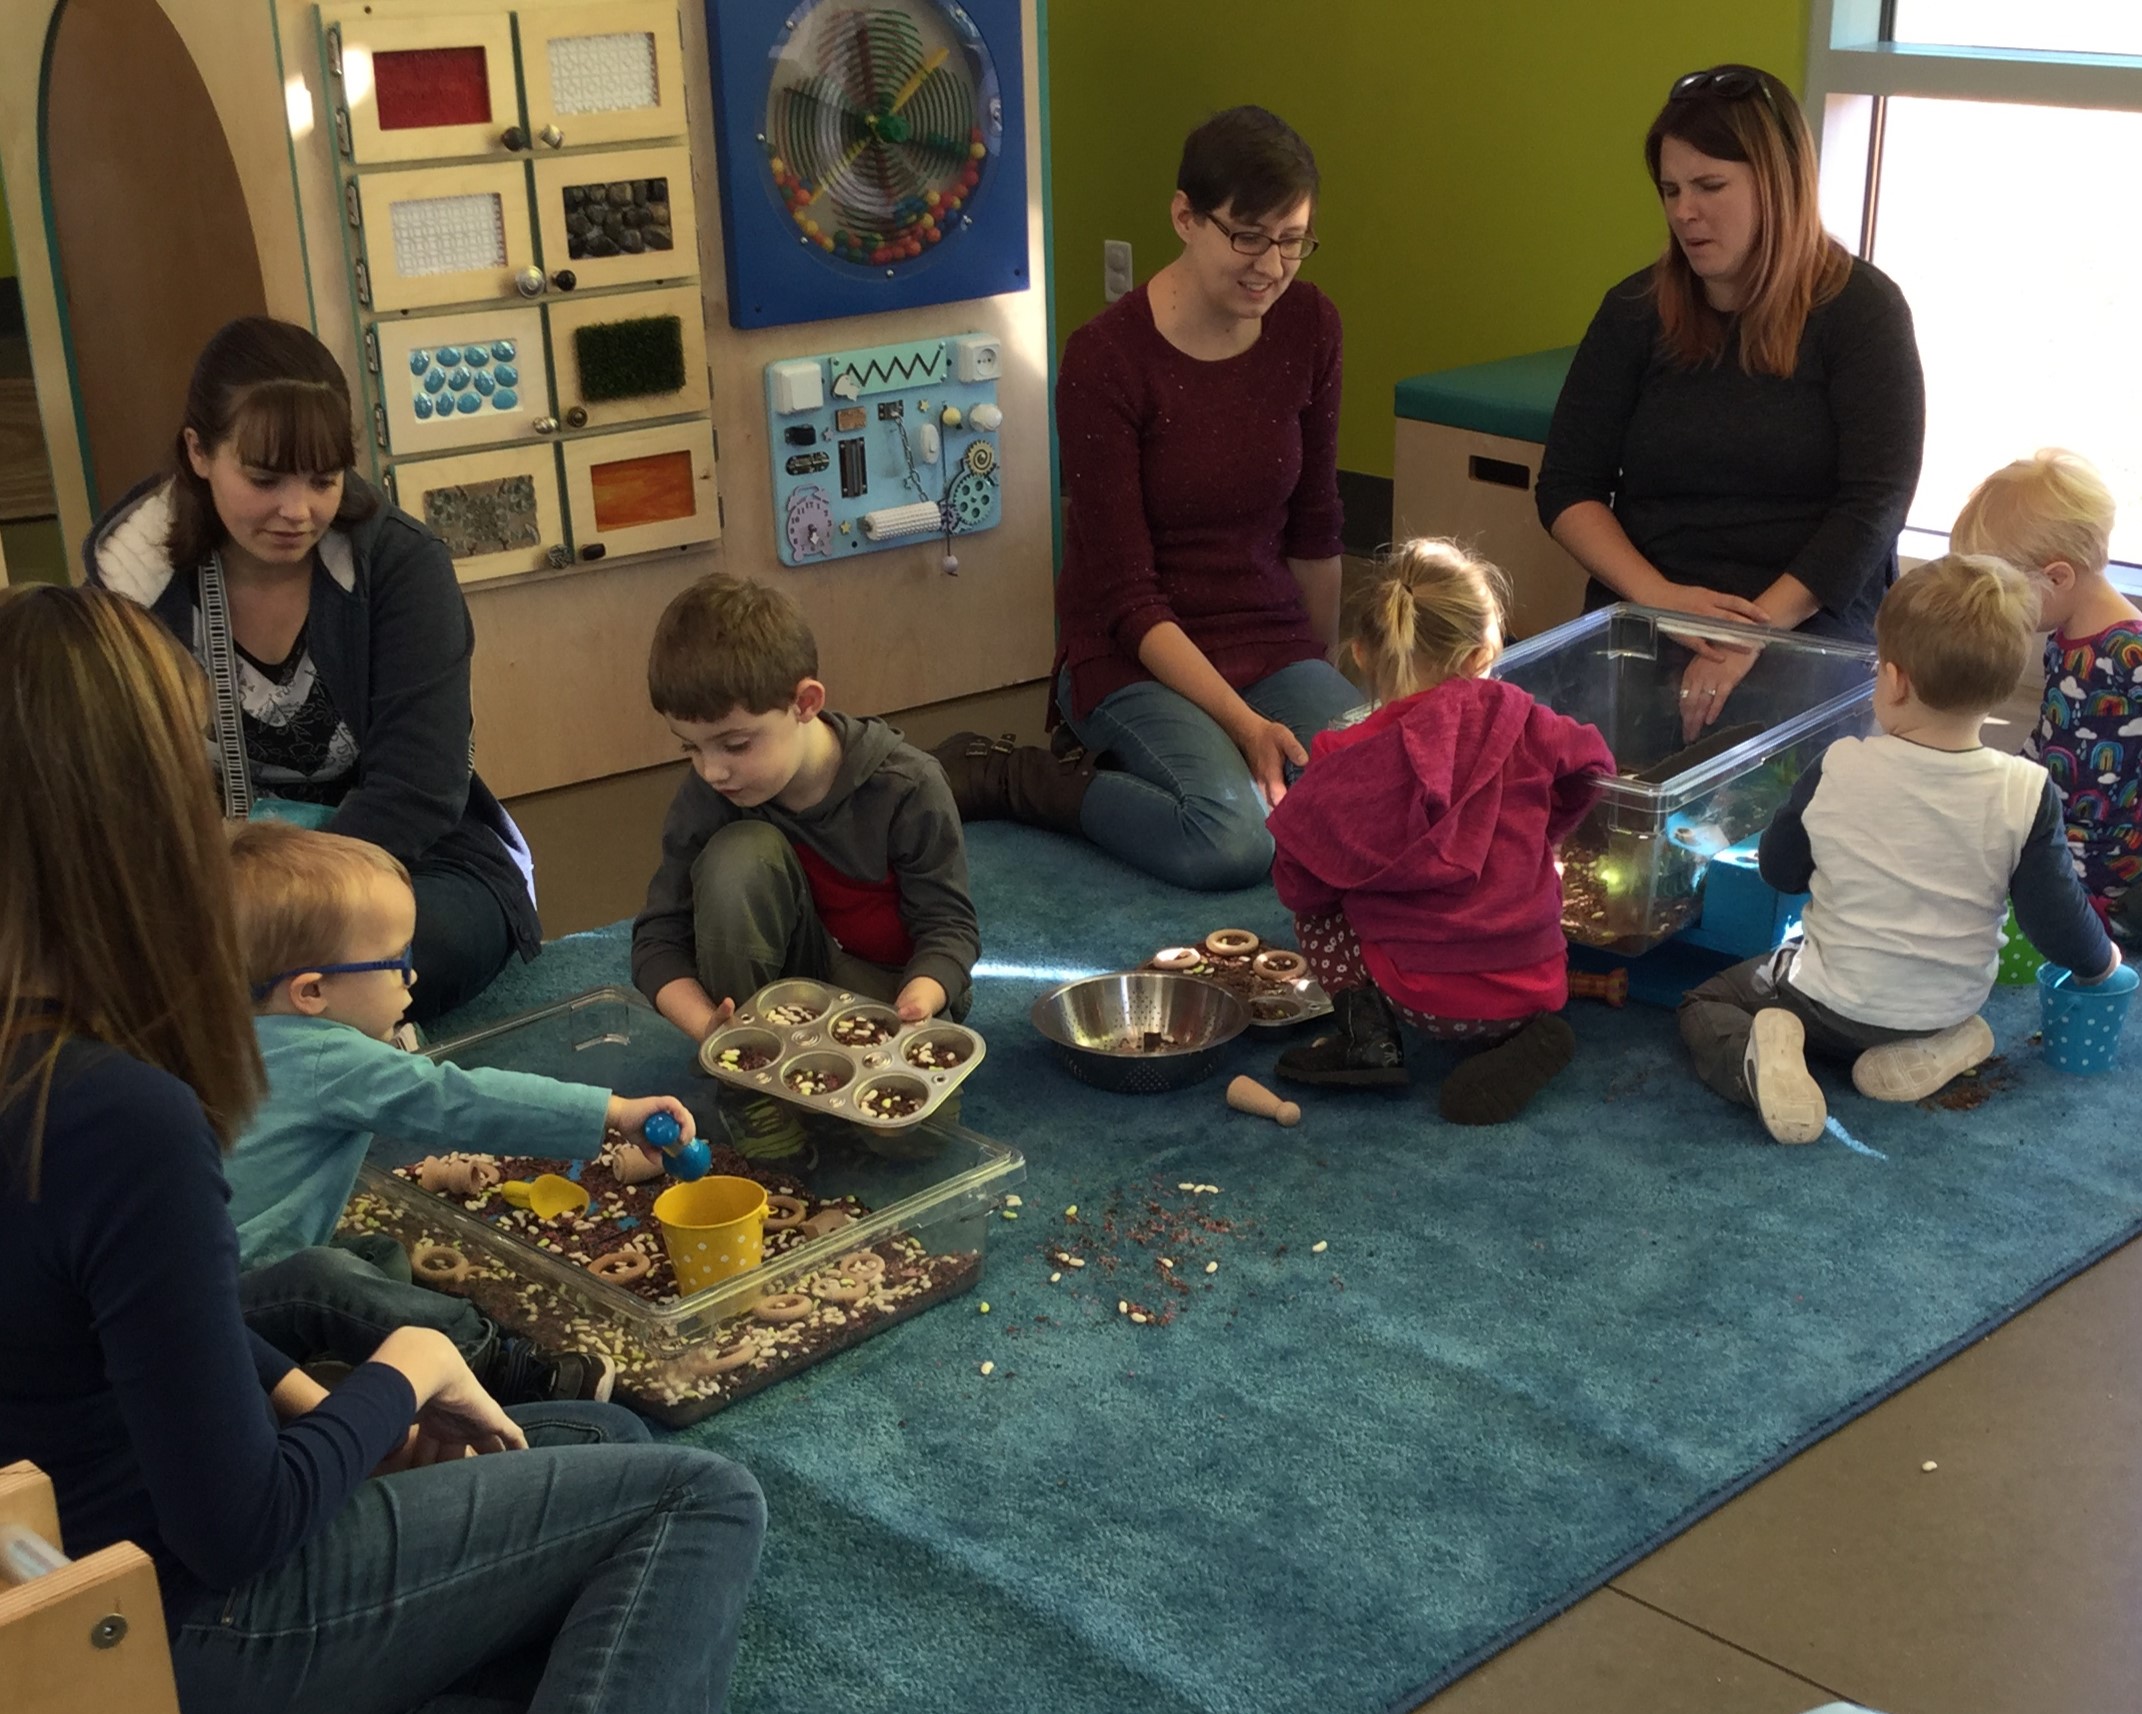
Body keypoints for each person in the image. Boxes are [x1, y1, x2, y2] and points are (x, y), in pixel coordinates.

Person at [0, 585, 764, 1714]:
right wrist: (402, 1369)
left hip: (81, 1536)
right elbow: (240, 1524)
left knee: (594, 1434)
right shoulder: (123, 1113)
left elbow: (122, 1346)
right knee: (699, 1500)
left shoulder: (39, 1058)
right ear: (134, 821)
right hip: (177, 1619)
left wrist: (324, 1402)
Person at [85, 315, 539, 1024]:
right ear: (199, 453)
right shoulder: (131, 591)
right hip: (212, 877)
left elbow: (420, 788)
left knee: (395, 959)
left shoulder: (402, 567)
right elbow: (112, 793)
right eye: (264, 479)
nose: (296, 512)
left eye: (323, 480)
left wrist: (281, 913)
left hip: (406, 865)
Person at [974, 104, 1359, 890]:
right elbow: (1126, 597)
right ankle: (1030, 780)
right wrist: (1249, 728)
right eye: (1247, 237)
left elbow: (1316, 527)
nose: (1271, 265)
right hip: (1133, 654)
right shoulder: (1105, 359)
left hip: (1270, 638)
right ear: (1185, 216)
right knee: (1232, 840)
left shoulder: (1311, 324)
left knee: (1380, 801)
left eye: (1292, 240)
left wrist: (1324, 686)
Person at [225, 819, 697, 1403]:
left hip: (225, 1292)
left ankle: (336, 1359)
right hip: (229, 1311)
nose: (413, 975)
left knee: (372, 1258)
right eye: (394, 961)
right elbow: (463, 1101)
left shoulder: (231, 1034)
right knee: (325, 1279)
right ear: (312, 993)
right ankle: (500, 1366)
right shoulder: (328, 1057)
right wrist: (611, 1109)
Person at [1537, 64, 1925, 737]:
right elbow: (1567, 488)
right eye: (1671, 190)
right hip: (1655, 602)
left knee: (1766, 765)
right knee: (1577, 761)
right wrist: (1662, 602)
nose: (1686, 211)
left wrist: (1753, 632)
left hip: (1806, 609)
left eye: (1710, 186)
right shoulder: (1634, 310)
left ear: (1777, 185)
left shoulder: (1862, 310)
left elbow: (1876, 504)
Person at [1678, 556, 2120, 1144]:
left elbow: (1780, 871)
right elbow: (2053, 917)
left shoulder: (1839, 765)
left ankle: (1755, 1064)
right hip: (1944, 1004)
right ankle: (1946, 1044)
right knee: (1945, 1012)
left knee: (1706, 1003)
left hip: (1827, 1007)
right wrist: (2103, 964)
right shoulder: (2027, 791)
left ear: (1895, 679)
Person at [1264, 540, 1616, 1124]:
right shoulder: (1527, 719)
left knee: (1319, 906)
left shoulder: (1346, 753)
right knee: (1527, 876)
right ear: (1483, 651)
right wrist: (1545, 833)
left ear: (1362, 654)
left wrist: (1349, 881)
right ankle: (1526, 1034)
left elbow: (1299, 879)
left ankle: (1368, 1039)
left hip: (1418, 995)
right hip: (1535, 980)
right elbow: (1595, 765)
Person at [633, 572, 981, 1041]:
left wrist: (920, 999)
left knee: (892, 1113)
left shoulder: (908, 786)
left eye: (734, 745)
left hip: (888, 988)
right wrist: (714, 1032)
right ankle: (753, 1064)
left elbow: (949, 928)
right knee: (738, 856)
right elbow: (659, 940)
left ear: (805, 703)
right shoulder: (709, 792)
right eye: (690, 749)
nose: (712, 771)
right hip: (781, 995)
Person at [1951, 449, 2142, 948]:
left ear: (2057, 577)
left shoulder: (2130, 651)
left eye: (2001, 589)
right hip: (2059, 829)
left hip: (2111, 858)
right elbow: (2053, 736)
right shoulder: (2064, 637)